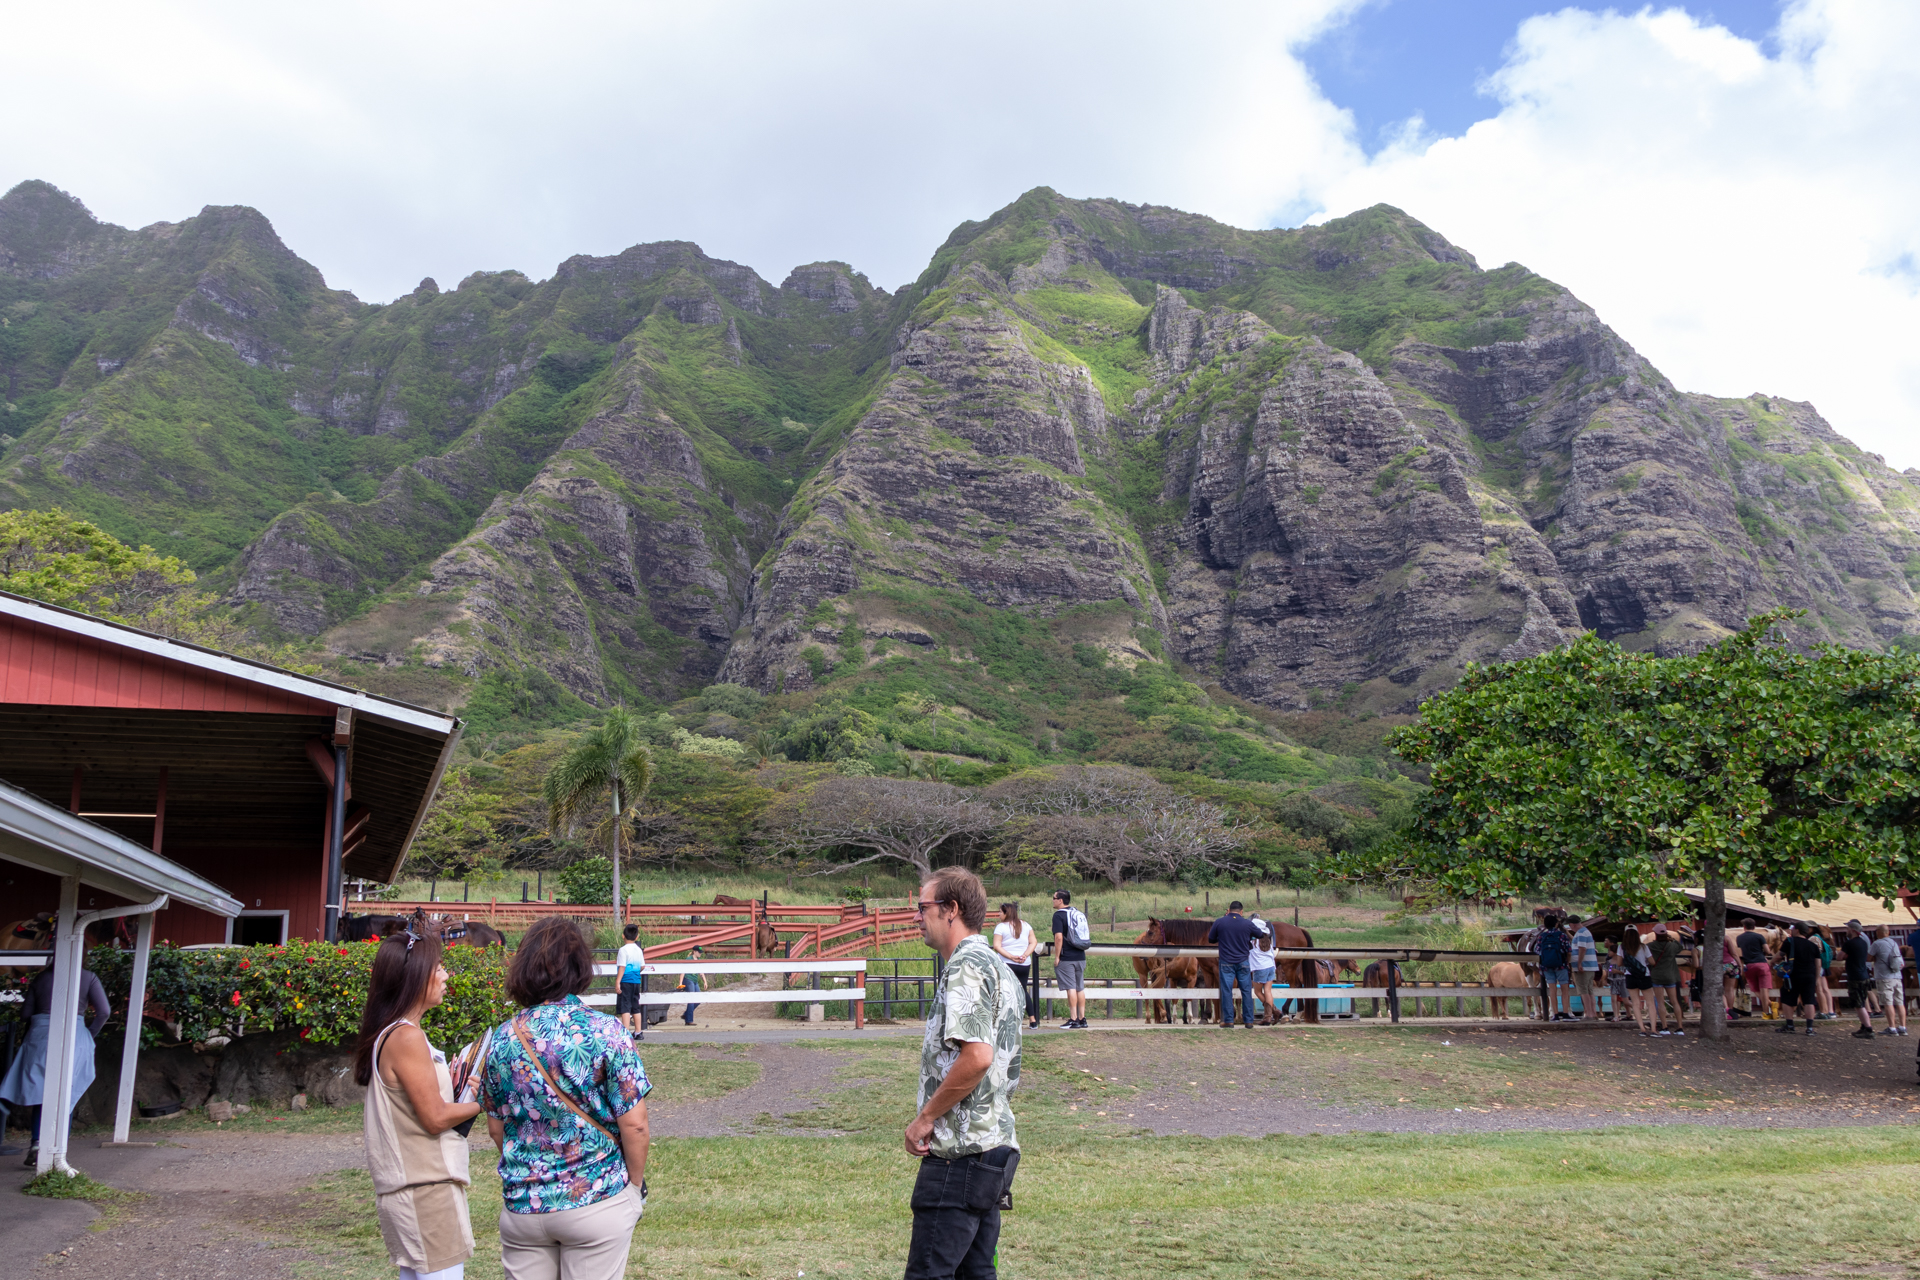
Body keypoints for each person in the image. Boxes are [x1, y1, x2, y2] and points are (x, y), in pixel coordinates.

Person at [480, 917, 650, 1280]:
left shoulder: (502, 1038)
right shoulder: (607, 1032)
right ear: (580, 967)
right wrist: (633, 1188)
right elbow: (635, 1125)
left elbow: (496, 1129)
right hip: (596, 1198)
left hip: (524, 1207)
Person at [904, 867, 1022, 1280]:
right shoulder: (999, 967)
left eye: (923, 907)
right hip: (993, 1148)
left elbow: (978, 1057)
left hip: (960, 1154)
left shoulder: (966, 967)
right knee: (977, 1273)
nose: (916, 916)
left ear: (951, 909)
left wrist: (926, 1118)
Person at [355, 928, 481, 1280]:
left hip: (414, 1190)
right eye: (438, 967)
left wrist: (455, 1089)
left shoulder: (394, 1033)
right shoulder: (406, 1037)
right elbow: (435, 1118)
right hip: (426, 1191)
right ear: (415, 977)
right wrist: (486, 1099)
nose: (446, 975)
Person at [0, 957, 110, 1168]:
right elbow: (104, 1012)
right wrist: (88, 1034)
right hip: (75, 1035)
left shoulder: (41, 978)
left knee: (42, 1093)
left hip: (40, 1035)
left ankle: (37, 1142)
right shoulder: (89, 977)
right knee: (66, 1094)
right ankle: (58, 1148)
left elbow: (25, 1014)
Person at [1206, 901, 1261, 1029]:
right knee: (1246, 991)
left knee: (1226, 991)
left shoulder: (1220, 922)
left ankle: (1228, 1020)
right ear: (1241, 911)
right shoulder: (1247, 923)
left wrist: (1222, 937)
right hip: (1243, 961)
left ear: (1229, 910)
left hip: (1226, 961)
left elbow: (1211, 939)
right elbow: (1259, 934)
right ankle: (1249, 1021)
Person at [991, 903, 1038, 1030]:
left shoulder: (1001, 927)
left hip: (1006, 963)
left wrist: (1011, 957)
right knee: (1022, 990)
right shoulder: (1026, 925)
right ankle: (1033, 1019)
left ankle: (1007, 1019)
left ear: (1006, 913)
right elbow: (1033, 942)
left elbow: (996, 946)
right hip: (1024, 963)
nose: (999, 914)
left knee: (1005, 991)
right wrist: (1025, 955)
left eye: (1000, 912)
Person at [1049, 890, 1088, 1029]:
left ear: (1060, 900)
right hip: (1080, 956)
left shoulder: (1058, 915)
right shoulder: (1077, 913)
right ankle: (1082, 1018)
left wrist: (1057, 956)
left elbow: (1058, 937)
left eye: (1054, 898)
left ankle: (1073, 1019)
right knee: (1079, 988)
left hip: (1067, 957)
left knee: (1070, 988)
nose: (1052, 900)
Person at [1778, 922, 1824, 1035]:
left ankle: (1790, 1025)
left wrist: (1771, 962)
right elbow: (1818, 964)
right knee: (1809, 1000)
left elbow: (1780, 955)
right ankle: (1809, 1028)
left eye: (1793, 928)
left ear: (1797, 930)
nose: (1791, 930)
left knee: (1788, 998)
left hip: (1793, 975)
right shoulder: (1813, 946)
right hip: (1809, 976)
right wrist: (1816, 978)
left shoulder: (1789, 941)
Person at [1869, 925, 1908, 1036]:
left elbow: (1868, 958)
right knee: (1900, 1002)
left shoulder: (1877, 943)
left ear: (1878, 932)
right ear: (1888, 932)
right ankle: (1903, 1027)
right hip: (1897, 976)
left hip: (1884, 977)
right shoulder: (1894, 943)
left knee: (1888, 1002)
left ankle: (1892, 1028)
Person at [1840, 920, 1875, 1039]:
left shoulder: (1849, 943)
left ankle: (1869, 1029)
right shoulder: (1863, 943)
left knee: (1858, 1004)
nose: (1846, 931)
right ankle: (1863, 1026)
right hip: (1864, 975)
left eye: (1848, 929)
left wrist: (1846, 955)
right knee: (1862, 1002)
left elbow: (1839, 957)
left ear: (1853, 930)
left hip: (1855, 976)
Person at [1648, 924, 1684, 1036]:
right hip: (1670, 975)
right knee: (1674, 1001)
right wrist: (1671, 938)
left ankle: (1665, 1027)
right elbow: (1680, 947)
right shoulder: (1672, 946)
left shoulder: (1650, 946)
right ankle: (1680, 1027)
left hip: (1657, 976)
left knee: (1660, 1002)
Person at [1534, 916, 1572, 1021]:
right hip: (1561, 965)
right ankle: (1566, 1014)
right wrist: (1567, 962)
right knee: (1565, 991)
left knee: (1552, 991)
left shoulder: (1542, 936)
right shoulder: (1562, 935)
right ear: (1556, 924)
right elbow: (1569, 950)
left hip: (1547, 967)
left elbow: (1537, 951)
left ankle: (1555, 1015)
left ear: (1545, 925)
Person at [1735, 918, 1773, 1018]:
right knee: (1764, 989)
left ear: (1744, 927)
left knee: (1755, 989)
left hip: (1749, 965)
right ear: (1754, 927)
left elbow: (1741, 951)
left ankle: (1770, 1005)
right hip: (1762, 963)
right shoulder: (1759, 936)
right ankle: (1766, 1011)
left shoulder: (1739, 938)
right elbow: (1768, 951)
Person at [1617, 937, 1655, 1035]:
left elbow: (1619, 963)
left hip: (1630, 975)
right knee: (1650, 1003)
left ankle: (1642, 1029)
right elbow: (1652, 961)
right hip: (1644, 974)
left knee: (1635, 1003)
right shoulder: (1643, 947)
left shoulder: (1622, 947)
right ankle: (1653, 1029)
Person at [615, 924, 646, 1038]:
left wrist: (618, 981)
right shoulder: (638, 950)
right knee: (635, 1006)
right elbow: (642, 966)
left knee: (625, 1006)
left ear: (623, 935)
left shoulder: (623, 950)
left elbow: (622, 967)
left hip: (625, 980)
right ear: (637, 937)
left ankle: (626, 1033)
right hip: (636, 981)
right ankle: (638, 1032)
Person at [1569, 917, 1601, 1021]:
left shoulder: (1580, 933)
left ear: (1572, 924)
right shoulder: (1586, 932)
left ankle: (1589, 1014)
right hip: (1591, 965)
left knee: (1583, 990)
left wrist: (1579, 963)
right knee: (1589, 990)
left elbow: (1582, 948)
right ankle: (1593, 1013)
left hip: (1584, 966)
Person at [1248, 917, 1278, 1025]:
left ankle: (1274, 1011)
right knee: (1268, 991)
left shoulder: (1253, 941)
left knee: (1257, 992)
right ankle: (1268, 1017)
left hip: (1260, 968)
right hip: (1271, 967)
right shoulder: (1267, 940)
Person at [1813, 925, 1838, 1019]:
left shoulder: (1815, 939)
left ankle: (1824, 1010)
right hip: (1824, 964)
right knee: (1825, 988)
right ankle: (1831, 1011)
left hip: (1819, 965)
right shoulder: (1822, 939)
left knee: (1820, 988)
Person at [678, 945, 704, 1026]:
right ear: (694, 952)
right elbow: (683, 971)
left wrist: (705, 981)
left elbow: (701, 972)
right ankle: (689, 1020)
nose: (700, 954)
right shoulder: (688, 959)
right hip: (688, 979)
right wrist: (680, 983)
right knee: (692, 999)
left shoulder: (698, 960)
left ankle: (686, 1014)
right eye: (699, 952)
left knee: (698, 999)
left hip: (695, 980)